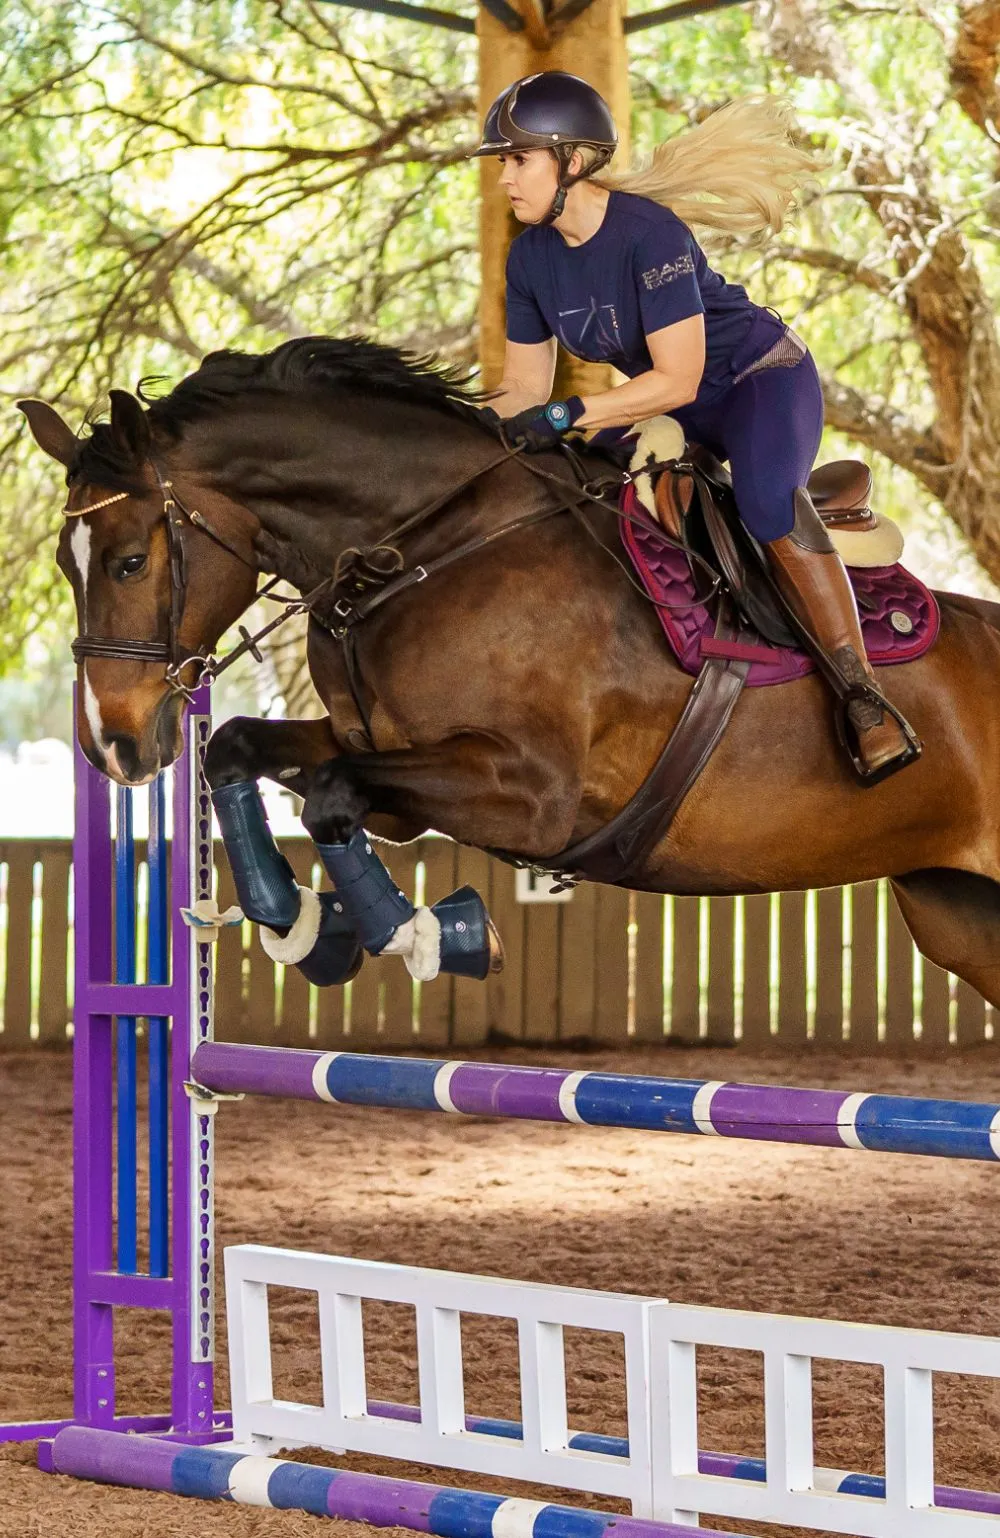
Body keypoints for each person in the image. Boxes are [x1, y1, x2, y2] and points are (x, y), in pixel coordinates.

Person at [472, 71, 918, 782]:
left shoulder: (651, 235)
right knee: (582, 481)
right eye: (502, 161)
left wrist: (566, 414)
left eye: (518, 159)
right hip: (673, 407)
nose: (504, 178)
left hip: (759, 383)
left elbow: (675, 380)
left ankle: (865, 699)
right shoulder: (528, 259)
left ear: (574, 161)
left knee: (769, 505)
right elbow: (524, 388)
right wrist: (461, 430)